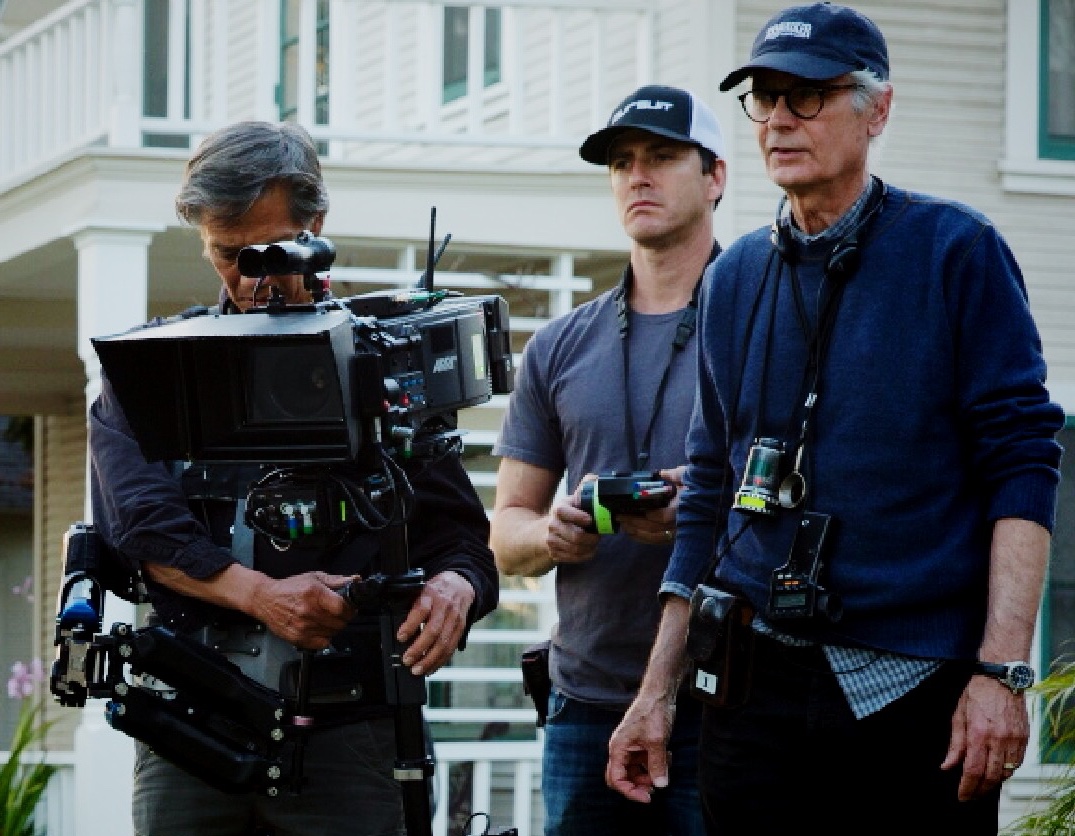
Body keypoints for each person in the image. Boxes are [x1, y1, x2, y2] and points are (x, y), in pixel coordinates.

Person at [605, 5, 1066, 835]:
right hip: (751, 691)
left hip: (915, 697)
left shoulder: (955, 252)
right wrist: (654, 693)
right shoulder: (734, 276)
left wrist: (1001, 670)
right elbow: (708, 491)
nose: (778, 119)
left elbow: (1023, 467)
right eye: (764, 98)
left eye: (806, 96)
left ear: (876, 109)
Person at [88, 120, 499, 836]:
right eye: (228, 255)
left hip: (354, 735)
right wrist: (264, 597)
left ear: (317, 225)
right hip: (189, 730)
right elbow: (139, 529)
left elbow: (461, 539)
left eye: (269, 251)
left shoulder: (385, 360)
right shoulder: (151, 371)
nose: (253, 278)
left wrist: (454, 589)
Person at [490, 85, 726, 835]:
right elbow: (505, 534)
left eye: (661, 157)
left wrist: (702, 512)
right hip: (582, 701)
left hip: (723, 701)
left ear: (715, 175)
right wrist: (552, 533)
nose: (638, 176)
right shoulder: (560, 344)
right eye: (621, 163)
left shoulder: (760, 326)